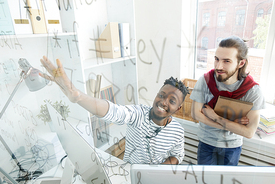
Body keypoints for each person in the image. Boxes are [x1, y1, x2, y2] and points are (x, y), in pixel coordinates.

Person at [39, 56, 189, 165]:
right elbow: (113, 111)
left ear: (178, 108)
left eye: (172, 101)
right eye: (161, 95)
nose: (163, 102)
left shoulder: (177, 131)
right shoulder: (137, 114)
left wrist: (159, 172)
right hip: (130, 176)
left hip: (157, 182)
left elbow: (177, 155)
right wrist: (78, 96)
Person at [190, 36, 265, 166]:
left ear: (241, 63)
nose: (219, 66)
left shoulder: (253, 91)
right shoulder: (205, 80)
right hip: (206, 142)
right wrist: (233, 124)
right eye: (217, 59)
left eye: (226, 61)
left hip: (232, 146)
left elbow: (249, 132)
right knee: (205, 183)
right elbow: (195, 114)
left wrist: (215, 117)